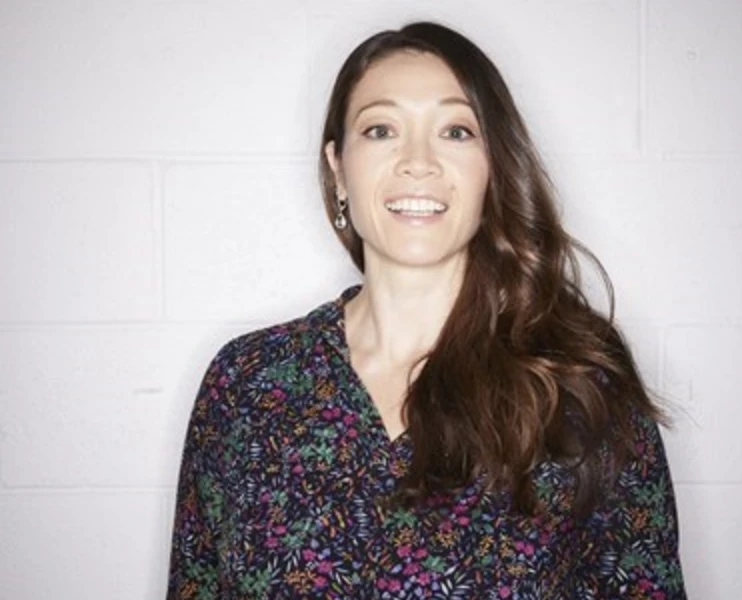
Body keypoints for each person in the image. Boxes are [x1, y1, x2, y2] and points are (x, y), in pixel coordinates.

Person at [167, 21, 687, 599]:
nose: (418, 162)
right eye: (382, 130)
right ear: (338, 167)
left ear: (494, 167)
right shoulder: (247, 384)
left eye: (456, 131)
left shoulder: (579, 384)